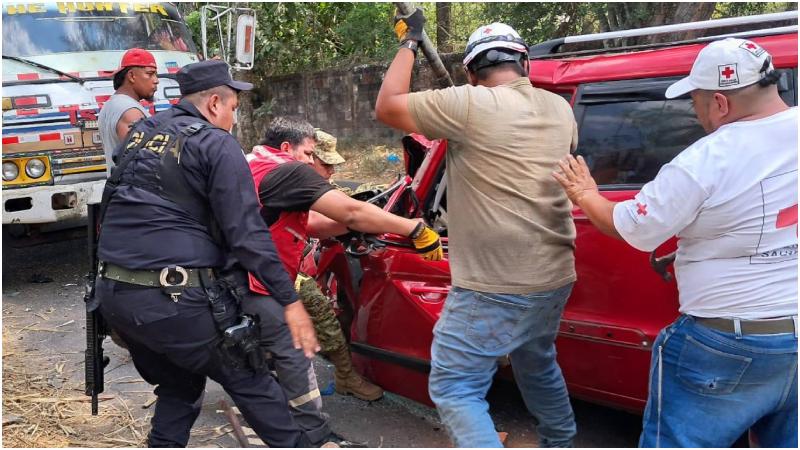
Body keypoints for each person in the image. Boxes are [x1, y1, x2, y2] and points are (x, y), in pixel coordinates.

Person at [552, 38, 797, 448]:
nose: (695, 112)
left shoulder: (706, 159)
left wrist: (585, 194)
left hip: (726, 344)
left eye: (695, 102)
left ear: (720, 103)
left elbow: (632, 226)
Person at [375, 10, 579, 448]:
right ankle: (562, 442)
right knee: (537, 363)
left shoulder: (469, 104)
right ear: (524, 63)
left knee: (455, 388)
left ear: (470, 72)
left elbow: (387, 106)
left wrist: (409, 41)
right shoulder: (560, 109)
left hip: (494, 283)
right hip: (554, 275)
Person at [94, 60, 320, 448]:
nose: (233, 117)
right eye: (233, 107)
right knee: (251, 380)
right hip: (175, 299)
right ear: (215, 103)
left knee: (180, 383)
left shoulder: (142, 133)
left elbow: (108, 207)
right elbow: (247, 234)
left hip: (115, 296)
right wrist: (290, 301)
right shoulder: (214, 142)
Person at [241, 116, 442, 445]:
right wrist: (414, 229)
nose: (313, 162)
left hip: (247, 273)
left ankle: (281, 411)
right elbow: (349, 212)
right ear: (288, 148)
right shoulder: (288, 170)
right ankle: (314, 435)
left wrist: (359, 224)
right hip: (262, 279)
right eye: (310, 154)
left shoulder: (253, 161)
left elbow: (317, 224)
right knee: (297, 352)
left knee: (258, 353)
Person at [296, 128, 385, 401]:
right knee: (321, 312)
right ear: (309, 159)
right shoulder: (291, 182)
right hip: (269, 266)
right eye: (325, 164)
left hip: (289, 259)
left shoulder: (312, 181)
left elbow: (342, 200)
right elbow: (316, 223)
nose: (330, 172)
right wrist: (362, 220)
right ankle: (345, 376)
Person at [98, 48, 159, 176]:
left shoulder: (111, 104)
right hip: (135, 193)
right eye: (150, 73)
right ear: (131, 76)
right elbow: (140, 162)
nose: (156, 80)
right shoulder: (130, 112)